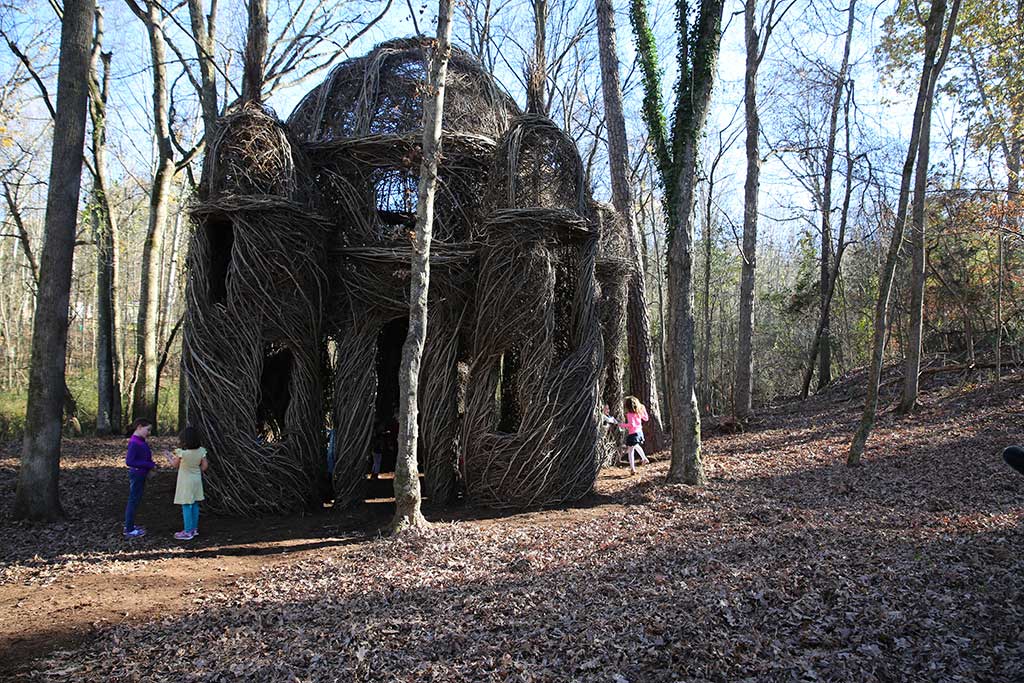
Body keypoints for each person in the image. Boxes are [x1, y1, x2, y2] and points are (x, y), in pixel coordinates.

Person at [165, 427, 208, 541]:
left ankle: (187, 531)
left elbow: (175, 465)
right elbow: (204, 466)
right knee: (194, 504)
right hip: (196, 480)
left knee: (186, 505)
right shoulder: (201, 451)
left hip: (185, 481)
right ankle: (194, 528)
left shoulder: (182, 453)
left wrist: (169, 457)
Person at [124, 418, 157, 538]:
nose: (149, 432)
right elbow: (130, 461)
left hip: (141, 474)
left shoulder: (140, 441)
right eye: (147, 429)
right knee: (133, 500)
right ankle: (129, 529)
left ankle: (130, 525)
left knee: (135, 500)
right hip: (137, 474)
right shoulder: (134, 442)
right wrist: (149, 465)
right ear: (139, 427)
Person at [618, 396, 650, 475]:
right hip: (639, 433)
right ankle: (644, 458)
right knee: (636, 446)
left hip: (633, 434)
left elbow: (631, 425)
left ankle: (633, 469)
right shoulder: (639, 412)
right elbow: (646, 418)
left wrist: (621, 425)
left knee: (630, 451)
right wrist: (643, 409)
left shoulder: (629, 414)